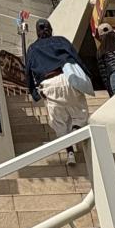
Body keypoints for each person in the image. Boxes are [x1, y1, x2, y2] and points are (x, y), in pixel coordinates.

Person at [25, 19, 92, 165]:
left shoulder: (32, 48)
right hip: (67, 78)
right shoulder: (61, 41)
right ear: (51, 29)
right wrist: (87, 75)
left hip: (48, 85)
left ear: (37, 32)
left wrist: (34, 93)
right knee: (79, 112)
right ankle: (76, 130)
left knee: (59, 123)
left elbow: (28, 72)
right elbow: (76, 57)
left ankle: (70, 154)